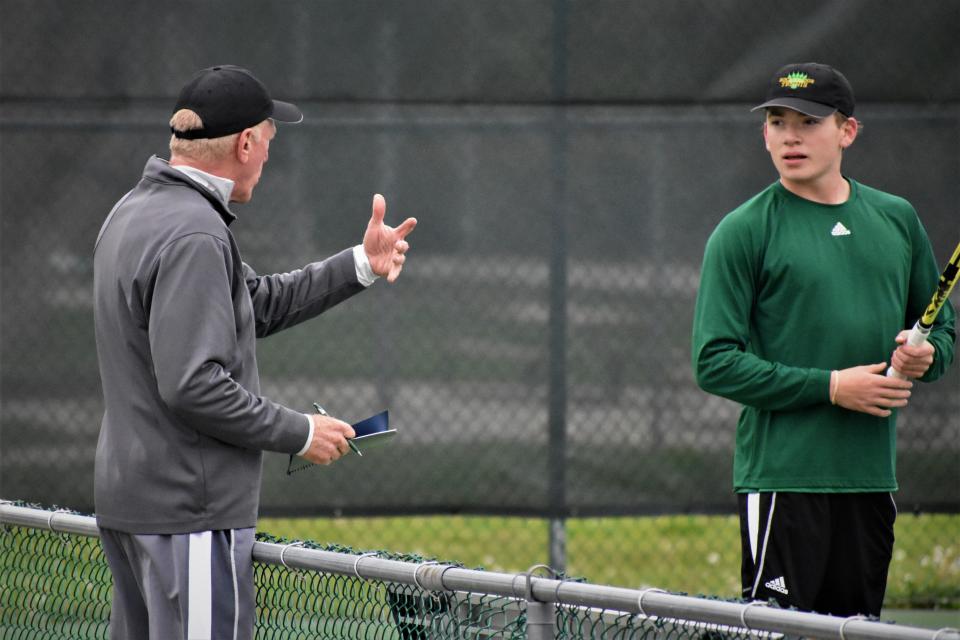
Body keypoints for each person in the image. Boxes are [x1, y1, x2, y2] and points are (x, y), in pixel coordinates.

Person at [92, 65, 417, 640]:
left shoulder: (135, 212)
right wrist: (300, 432)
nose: (268, 157)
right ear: (245, 143)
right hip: (187, 516)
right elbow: (193, 384)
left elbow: (254, 302)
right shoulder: (194, 233)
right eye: (268, 142)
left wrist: (360, 264)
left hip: (135, 506)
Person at [691, 62, 955, 617]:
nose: (790, 136)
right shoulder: (743, 231)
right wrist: (833, 387)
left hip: (869, 481)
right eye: (777, 122)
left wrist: (925, 354)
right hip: (784, 480)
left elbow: (942, 331)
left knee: (859, 631)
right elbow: (714, 362)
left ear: (847, 131)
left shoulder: (897, 220)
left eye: (809, 122)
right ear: (764, 134)